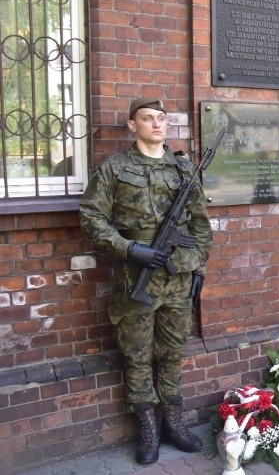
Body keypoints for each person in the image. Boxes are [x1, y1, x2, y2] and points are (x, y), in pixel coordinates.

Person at [79, 97, 212, 464]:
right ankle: (148, 430)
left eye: (161, 118)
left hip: (179, 279)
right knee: (136, 357)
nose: (156, 124)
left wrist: (198, 267)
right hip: (135, 280)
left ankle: (174, 423)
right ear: (131, 125)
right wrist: (129, 248)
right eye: (147, 118)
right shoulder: (115, 169)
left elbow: (200, 223)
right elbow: (91, 217)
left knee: (172, 353)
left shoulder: (183, 169)